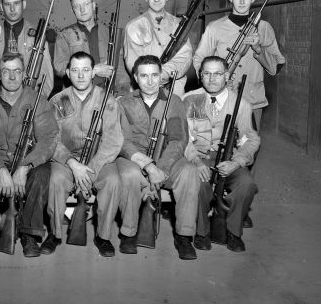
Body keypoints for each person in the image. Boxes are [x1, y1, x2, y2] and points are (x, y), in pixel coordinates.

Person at [0, 52, 58, 257]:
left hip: (28, 158)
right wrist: (1, 171)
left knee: (41, 175)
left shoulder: (38, 100)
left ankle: (29, 234)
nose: (12, 77)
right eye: (6, 71)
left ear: (24, 74)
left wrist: (25, 167)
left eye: (17, 71)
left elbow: (48, 138)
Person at [117, 55, 199, 259]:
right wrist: (149, 167)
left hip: (166, 160)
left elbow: (178, 140)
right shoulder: (123, 103)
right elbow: (122, 142)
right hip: (134, 160)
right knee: (129, 175)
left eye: (155, 75)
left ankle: (184, 235)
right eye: (144, 75)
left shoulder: (174, 102)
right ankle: (129, 233)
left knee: (189, 172)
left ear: (161, 76)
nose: (150, 81)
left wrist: (160, 168)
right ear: (135, 77)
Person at [44, 51, 123, 257]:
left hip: (99, 159)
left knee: (113, 180)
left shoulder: (108, 100)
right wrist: (73, 164)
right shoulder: (57, 101)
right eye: (76, 70)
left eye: (86, 70)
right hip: (67, 160)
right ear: (68, 73)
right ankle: (55, 233)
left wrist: (90, 170)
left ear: (93, 73)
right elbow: (52, 139)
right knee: (55, 180)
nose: (81, 76)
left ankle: (103, 237)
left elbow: (113, 141)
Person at [183, 56, 259, 252]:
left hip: (228, 159)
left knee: (247, 184)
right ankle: (201, 232)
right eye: (207, 73)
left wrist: (236, 162)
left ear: (227, 76)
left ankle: (233, 232)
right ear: (200, 76)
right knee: (197, 183)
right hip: (198, 157)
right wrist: (196, 161)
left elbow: (251, 139)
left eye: (218, 74)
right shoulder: (189, 99)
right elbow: (182, 138)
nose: (212, 78)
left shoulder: (241, 104)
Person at [192, 0, 285, 133]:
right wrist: (213, 83)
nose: (242, 2)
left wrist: (258, 48)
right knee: (218, 149)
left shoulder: (264, 28)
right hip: (220, 100)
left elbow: (275, 67)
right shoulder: (214, 28)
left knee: (248, 152)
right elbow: (199, 60)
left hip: (252, 100)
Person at [53, 0, 130, 95]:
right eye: (77, 6)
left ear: (94, 5)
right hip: (76, 95)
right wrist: (92, 70)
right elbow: (59, 68)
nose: (82, 9)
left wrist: (122, 93)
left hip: (107, 94)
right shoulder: (64, 35)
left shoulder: (110, 33)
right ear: (72, 10)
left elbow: (120, 68)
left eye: (86, 4)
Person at [124, 0, 193, 96]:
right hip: (143, 89)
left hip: (173, 90)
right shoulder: (134, 26)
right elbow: (132, 62)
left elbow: (184, 57)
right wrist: (151, 77)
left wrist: (160, 75)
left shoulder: (180, 25)